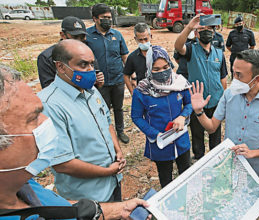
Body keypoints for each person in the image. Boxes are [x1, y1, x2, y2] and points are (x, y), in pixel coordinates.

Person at [0, 64, 150, 220]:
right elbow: (63, 164)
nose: (46, 121)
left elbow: (61, 211)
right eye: (33, 118)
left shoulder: (21, 183)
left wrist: (119, 210)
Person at [38, 39, 126, 202]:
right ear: (61, 67)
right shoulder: (49, 105)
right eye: (83, 65)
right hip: (87, 198)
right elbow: (62, 163)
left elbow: (106, 122)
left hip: (113, 183)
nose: (91, 70)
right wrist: (107, 171)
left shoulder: (91, 90)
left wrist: (117, 151)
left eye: (92, 64)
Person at [189, 49, 259, 179]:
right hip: (228, 165)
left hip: (253, 170)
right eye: (233, 73)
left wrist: (252, 153)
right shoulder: (229, 95)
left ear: (257, 79)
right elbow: (212, 127)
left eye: (239, 75)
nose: (234, 79)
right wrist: (199, 111)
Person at [131, 45, 192, 188]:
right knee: (166, 180)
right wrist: (156, 134)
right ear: (148, 68)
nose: (163, 72)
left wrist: (183, 116)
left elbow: (189, 104)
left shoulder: (179, 82)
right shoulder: (142, 90)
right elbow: (136, 117)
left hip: (181, 138)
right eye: (156, 69)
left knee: (186, 173)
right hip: (160, 143)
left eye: (166, 67)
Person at [174, 14, 228, 160]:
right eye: (202, 29)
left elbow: (223, 77)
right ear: (196, 33)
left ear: (214, 32)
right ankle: (199, 158)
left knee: (215, 133)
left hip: (216, 100)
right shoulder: (191, 50)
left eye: (209, 28)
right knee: (197, 134)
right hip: (197, 101)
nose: (206, 31)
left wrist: (224, 99)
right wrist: (190, 26)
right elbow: (178, 46)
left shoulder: (219, 53)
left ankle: (215, 159)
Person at [86, 3, 130, 144]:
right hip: (98, 82)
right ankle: (105, 133)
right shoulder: (87, 36)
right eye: (104, 17)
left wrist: (130, 75)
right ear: (95, 19)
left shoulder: (117, 35)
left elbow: (124, 57)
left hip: (117, 79)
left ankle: (120, 131)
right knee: (102, 109)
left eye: (109, 17)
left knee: (118, 108)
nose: (108, 20)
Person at [37, 16, 103, 89]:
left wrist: (98, 81)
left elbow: (95, 74)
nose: (79, 41)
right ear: (63, 35)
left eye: (82, 37)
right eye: (75, 37)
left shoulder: (86, 52)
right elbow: (48, 87)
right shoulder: (46, 57)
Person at [124, 23, 155, 95]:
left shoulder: (159, 53)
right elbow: (126, 75)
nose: (143, 42)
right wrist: (132, 92)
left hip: (160, 93)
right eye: (140, 40)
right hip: (143, 94)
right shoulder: (133, 57)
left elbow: (170, 71)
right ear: (135, 39)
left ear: (151, 36)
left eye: (145, 39)